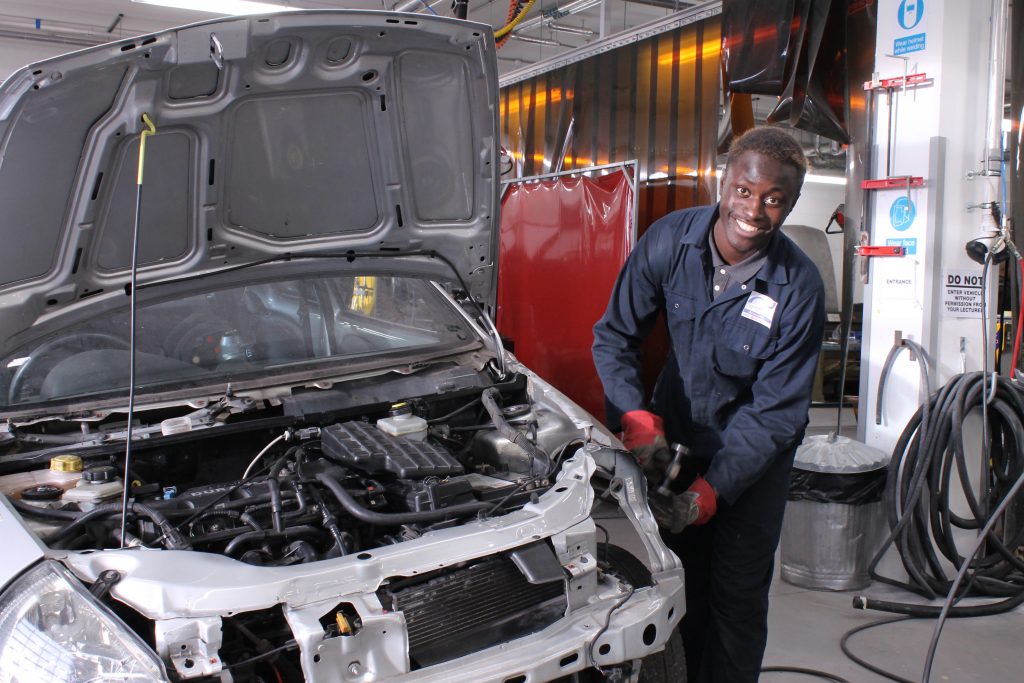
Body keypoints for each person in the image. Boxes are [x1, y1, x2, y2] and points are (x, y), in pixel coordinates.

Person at [592, 126, 826, 682]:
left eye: (775, 199)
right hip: (675, 441)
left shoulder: (798, 287)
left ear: (791, 204)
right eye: (745, 190)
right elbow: (615, 336)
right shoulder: (670, 241)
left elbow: (776, 411)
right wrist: (636, 420)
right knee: (681, 585)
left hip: (754, 461)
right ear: (724, 183)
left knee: (737, 599)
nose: (755, 210)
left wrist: (714, 491)